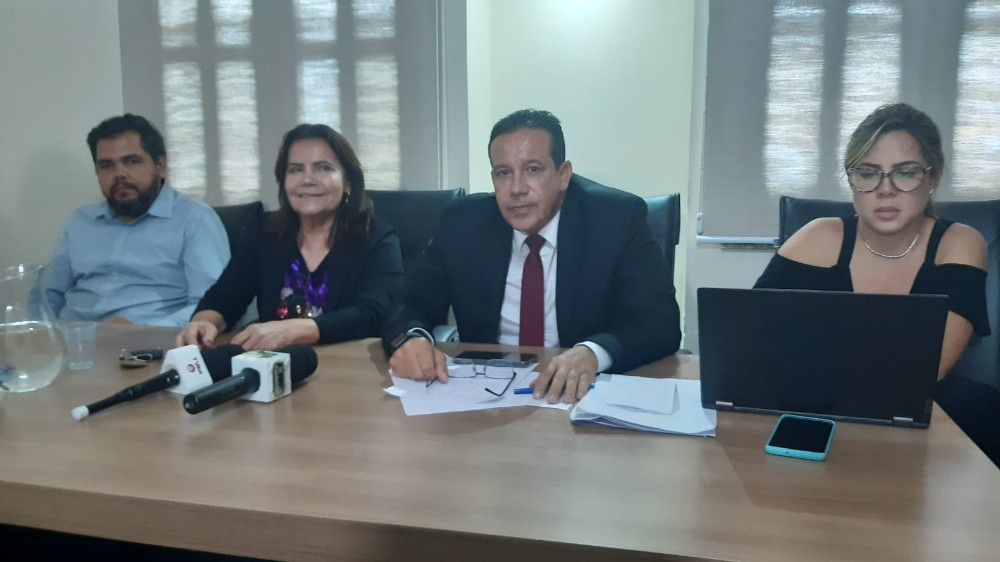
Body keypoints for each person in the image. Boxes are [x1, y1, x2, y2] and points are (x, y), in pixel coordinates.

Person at [755, 102, 998, 466]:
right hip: (819, 418)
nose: (885, 190)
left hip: (933, 419)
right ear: (852, 181)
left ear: (934, 177)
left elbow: (930, 366)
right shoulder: (817, 236)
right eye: (868, 173)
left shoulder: (960, 242)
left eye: (905, 173)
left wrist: (816, 360)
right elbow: (750, 346)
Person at [381, 109, 681, 404]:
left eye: (533, 169)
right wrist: (412, 338)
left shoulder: (616, 220)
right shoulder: (464, 222)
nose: (516, 189)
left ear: (563, 175)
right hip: (485, 399)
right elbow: (408, 301)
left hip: (578, 399)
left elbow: (659, 322)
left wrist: (592, 352)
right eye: (504, 173)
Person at [177, 124, 403, 351]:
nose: (308, 179)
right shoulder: (264, 232)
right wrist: (203, 322)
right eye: (295, 170)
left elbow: (375, 314)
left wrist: (296, 331)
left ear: (348, 182)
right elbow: (224, 298)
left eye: (324, 168)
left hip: (347, 363)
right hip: (275, 365)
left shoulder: (376, 238)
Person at [45, 114, 230, 327]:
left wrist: (142, 330)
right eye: (106, 165)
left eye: (132, 161)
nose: (119, 174)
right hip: (73, 338)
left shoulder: (194, 219)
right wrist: (38, 334)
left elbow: (214, 307)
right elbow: (49, 295)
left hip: (150, 343)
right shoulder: (80, 222)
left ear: (160, 166)